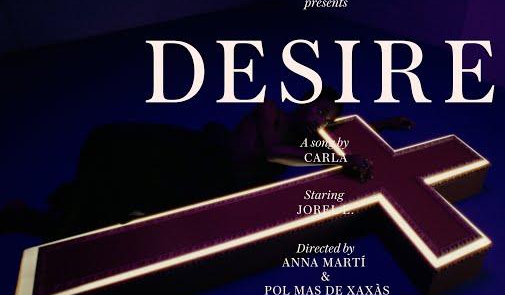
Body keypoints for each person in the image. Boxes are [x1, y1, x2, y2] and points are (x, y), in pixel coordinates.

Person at [1, 87, 413, 240]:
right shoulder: (271, 111)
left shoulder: (310, 138)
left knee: (118, 206)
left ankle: (38, 219)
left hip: (205, 182)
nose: (321, 117)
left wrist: (385, 123)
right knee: (110, 140)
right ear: (304, 102)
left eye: (327, 116)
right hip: (196, 154)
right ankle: (51, 216)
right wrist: (337, 158)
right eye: (319, 107)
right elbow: (271, 150)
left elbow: (340, 130)